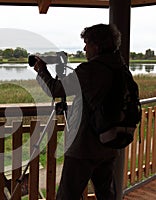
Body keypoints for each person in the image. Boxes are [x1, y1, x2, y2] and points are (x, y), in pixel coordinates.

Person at [33, 24, 125, 199]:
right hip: (109, 143)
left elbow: (55, 89)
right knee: (107, 194)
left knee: (68, 195)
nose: (84, 48)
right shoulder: (120, 68)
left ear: (97, 46)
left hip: (85, 145)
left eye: (87, 44)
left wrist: (41, 70)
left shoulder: (91, 70)